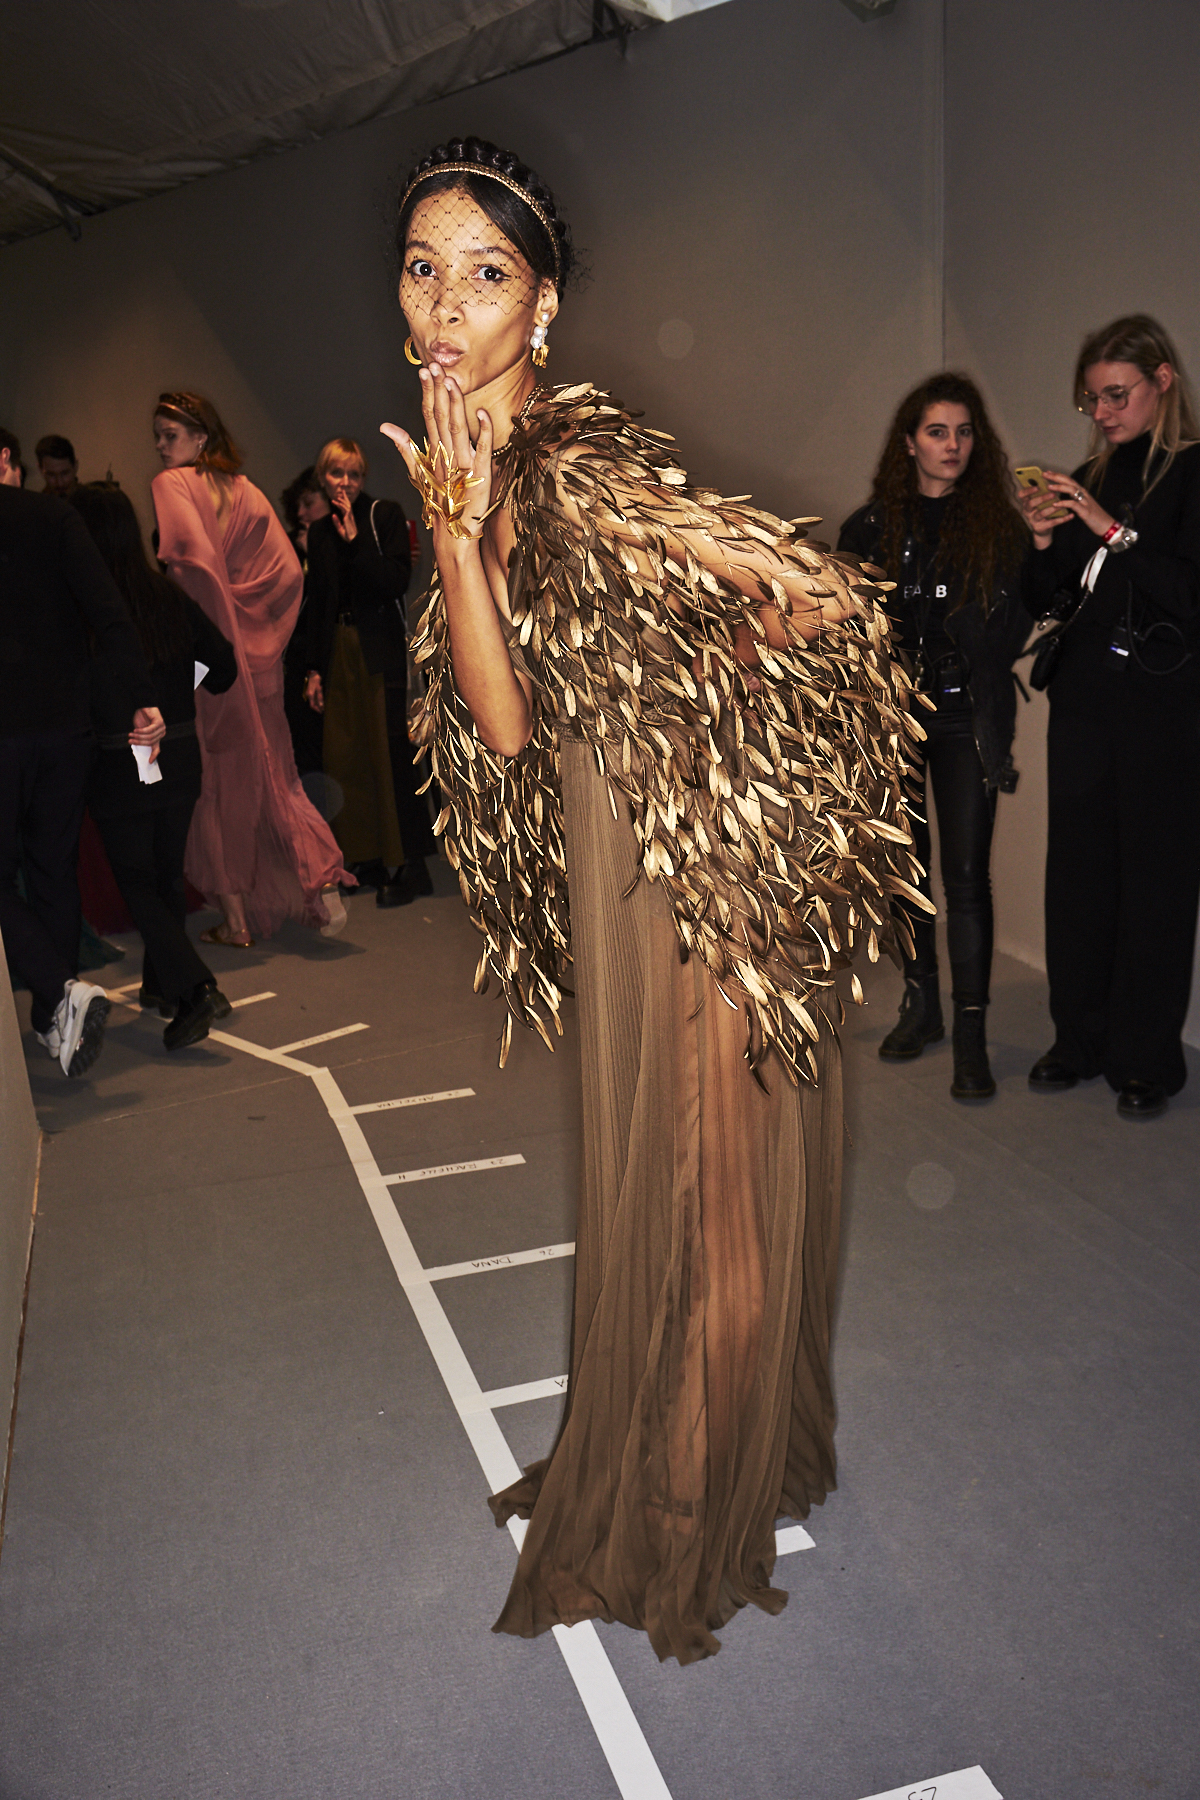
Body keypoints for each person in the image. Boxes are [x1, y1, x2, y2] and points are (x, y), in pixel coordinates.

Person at [381, 138, 928, 1664]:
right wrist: (442, 520)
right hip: (617, 857)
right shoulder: (466, 469)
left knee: (711, 1180)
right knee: (664, 1178)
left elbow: (809, 590)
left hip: (691, 866)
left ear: (540, 310)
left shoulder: (579, 460)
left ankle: (694, 1507)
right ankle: (673, 1453)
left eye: (486, 274)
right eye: (425, 267)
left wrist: (734, 697)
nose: (448, 301)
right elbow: (499, 722)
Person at [1019, 314, 1200, 1122]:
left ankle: (1146, 1059)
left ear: (1162, 382)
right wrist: (1041, 538)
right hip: (1087, 704)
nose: (1102, 413)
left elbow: (1186, 594)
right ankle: (1078, 1040)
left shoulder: (1194, 475)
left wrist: (1110, 529)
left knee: (1156, 884)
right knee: (1080, 879)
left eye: (1116, 395)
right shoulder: (1092, 475)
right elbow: (1045, 600)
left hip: (1164, 710)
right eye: (1090, 400)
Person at [838, 374, 1032, 1100]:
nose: (952, 446)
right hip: (894, 719)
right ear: (910, 442)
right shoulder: (869, 527)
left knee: (965, 879)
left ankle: (972, 1034)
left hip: (963, 719)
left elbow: (1013, 632)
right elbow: (847, 629)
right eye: (937, 432)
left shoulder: (998, 529)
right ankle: (920, 1006)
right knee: (908, 875)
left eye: (963, 432)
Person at [150, 392, 352, 944]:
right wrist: (258, 636)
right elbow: (288, 576)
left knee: (222, 788)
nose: (161, 448)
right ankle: (311, 882)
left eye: (170, 435)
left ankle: (238, 921)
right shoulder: (246, 492)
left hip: (211, 666)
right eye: (159, 437)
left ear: (201, 437)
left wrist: (214, 639)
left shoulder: (172, 486)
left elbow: (193, 572)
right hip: (255, 665)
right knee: (273, 778)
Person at [0, 427, 163, 1077]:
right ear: (8, 462)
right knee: (52, 869)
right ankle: (51, 1022)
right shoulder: (54, 516)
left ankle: (60, 994)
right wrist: (140, 698)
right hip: (63, 728)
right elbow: (109, 610)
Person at [71, 482, 239, 1051]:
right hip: (181, 754)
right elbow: (220, 668)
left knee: (139, 883)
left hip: (121, 760)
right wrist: (173, 697)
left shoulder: (86, 611)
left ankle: (195, 990)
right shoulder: (165, 597)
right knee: (164, 874)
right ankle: (162, 984)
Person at [302, 437, 434, 904]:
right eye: (337, 474)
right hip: (339, 649)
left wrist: (357, 541)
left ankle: (410, 866)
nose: (345, 483)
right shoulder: (318, 533)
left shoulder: (385, 515)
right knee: (346, 755)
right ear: (324, 476)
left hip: (379, 651)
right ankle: (366, 857)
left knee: (389, 758)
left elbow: (394, 581)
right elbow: (319, 602)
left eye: (354, 475)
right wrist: (314, 669)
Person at [280, 466, 330, 780]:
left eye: (309, 503)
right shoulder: (290, 546)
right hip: (295, 662)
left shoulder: (346, 541)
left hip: (333, 662)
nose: (301, 513)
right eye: (297, 506)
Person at [36, 434, 79, 498]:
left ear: (75, 466)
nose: (59, 483)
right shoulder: (36, 505)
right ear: (40, 469)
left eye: (65, 473)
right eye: (51, 474)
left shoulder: (93, 502)